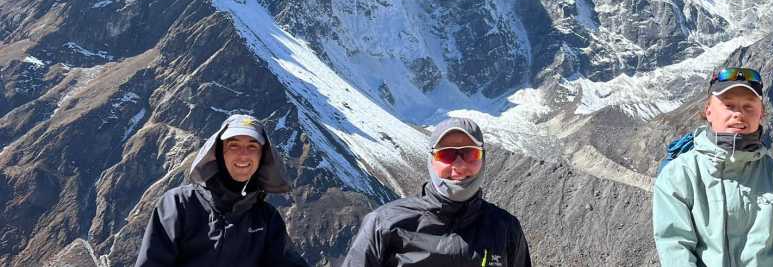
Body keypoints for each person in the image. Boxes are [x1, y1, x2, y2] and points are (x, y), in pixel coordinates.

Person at [652, 65, 773, 266]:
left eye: (748, 106)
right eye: (729, 105)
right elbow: (676, 250)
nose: (738, 114)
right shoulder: (679, 176)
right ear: (708, 111)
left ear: (761, 114)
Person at [342, 117, 531, 267]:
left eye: (470, 153)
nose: (458, 165)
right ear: (431, 160)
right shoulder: (383, 225)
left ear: (483, 159)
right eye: (446, 155)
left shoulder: (506, 229)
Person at [135, 114, 308, 266]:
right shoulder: (178, 205)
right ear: (219, 152)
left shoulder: (267, 220)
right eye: (234, 145)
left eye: (252, 147)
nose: (243, 155)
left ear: (262, 156)